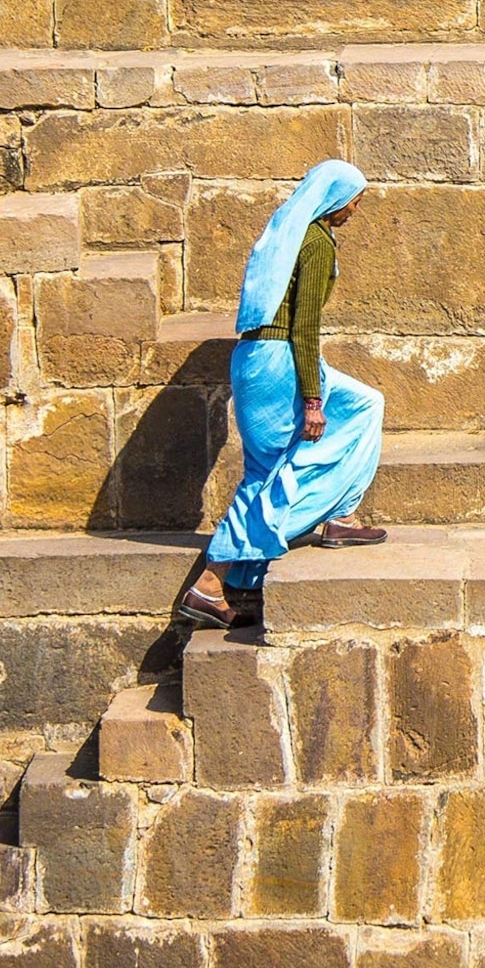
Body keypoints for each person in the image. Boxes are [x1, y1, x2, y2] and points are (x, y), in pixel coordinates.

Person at [178, 158, 388, 628]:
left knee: (364, 404)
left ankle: (340, 516)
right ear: (334, 198)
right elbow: (304, 326)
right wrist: (312, 401)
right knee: (270, 472)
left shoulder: (285, 235)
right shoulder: (313, 241)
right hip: (279, 361)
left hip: (255, 360)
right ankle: (209, 585)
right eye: (355, 198)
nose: (356, 208)